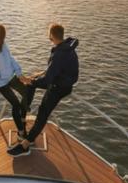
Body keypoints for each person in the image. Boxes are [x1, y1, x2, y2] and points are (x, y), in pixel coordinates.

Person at [8, 23, 79, 157]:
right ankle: (24, 112)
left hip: (58, 88)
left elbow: (48, 80)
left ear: (51, 36)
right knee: (31, 85)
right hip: (62, 84)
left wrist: (32, 81)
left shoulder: (59, 54)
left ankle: (26, 144)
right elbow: (59, 69)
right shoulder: (68, 48)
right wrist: (39, 75)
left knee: (42, 113)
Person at [0, 24, 31, 140]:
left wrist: (19, 73)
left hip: (10, 77)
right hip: (0, 82)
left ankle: (22, 118)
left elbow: (11, 59)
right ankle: (21, 132)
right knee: (16, 105)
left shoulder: (3, 45)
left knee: (27, 92)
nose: (5, 37)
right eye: (3, 35)